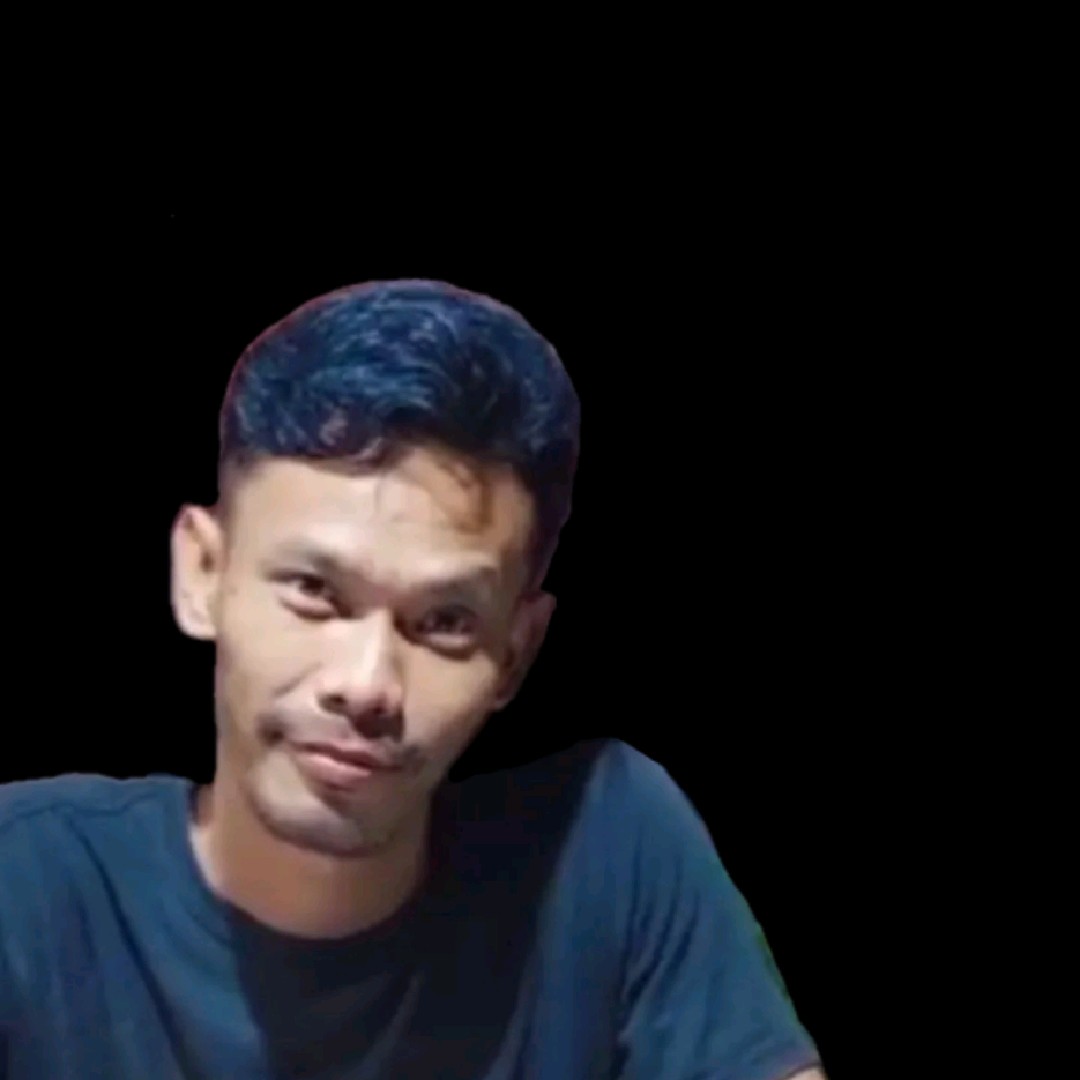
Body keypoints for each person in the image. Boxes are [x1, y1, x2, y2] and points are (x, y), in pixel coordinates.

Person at [0, 280, 825, 1078]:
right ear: (202, 575)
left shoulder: (607, 853)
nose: (368, 684)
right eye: (314, 592)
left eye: (445, 623)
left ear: (516, 653)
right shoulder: (23, 884)